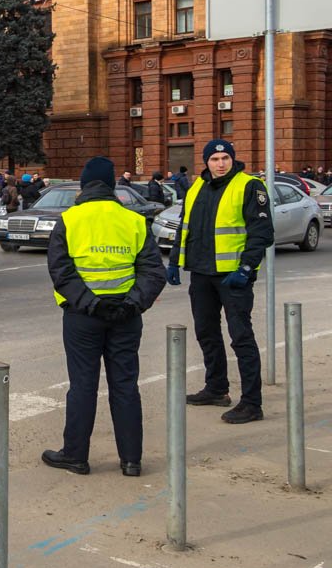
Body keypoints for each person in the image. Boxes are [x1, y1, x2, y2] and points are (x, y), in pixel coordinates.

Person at [42, 157, 166, 476]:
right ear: (112, 186)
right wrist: (131, 305)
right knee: (125, 384)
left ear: (84, 186)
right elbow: (153, 272)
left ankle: (76, 455)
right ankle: (131, 460)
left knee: (83, 384)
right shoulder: (134, 220)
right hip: (126, 315)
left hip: (82, 316)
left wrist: (91, 304)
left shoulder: (69, 220)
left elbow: (61, 271)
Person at [167, 139, 273, 424]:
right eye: (214, 159)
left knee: (241, 338)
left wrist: (247, 267)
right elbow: (184, 227)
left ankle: (252, 403)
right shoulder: (196, 187)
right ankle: (216, 389)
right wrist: (175, 262)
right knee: (206, 333)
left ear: (232, 159)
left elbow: (261, 232)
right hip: (201, 274)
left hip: (233, 277)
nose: (220, 163)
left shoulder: (248, 186)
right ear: (206, 162)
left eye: (225, 157)